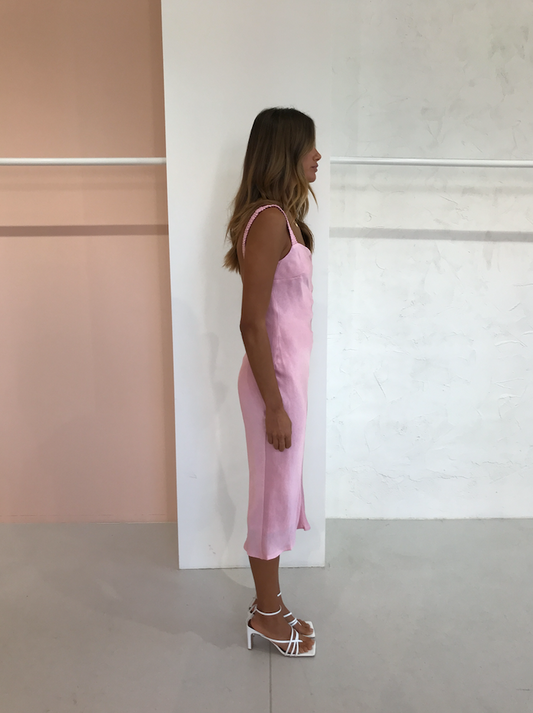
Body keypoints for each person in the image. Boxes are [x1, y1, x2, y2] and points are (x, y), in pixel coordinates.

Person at [224, 107, 321, 657]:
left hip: (285, 383)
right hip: (273, 387)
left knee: (279, 494)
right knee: (271, 498)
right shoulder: (267, 221)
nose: (317, 156)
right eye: (309, 146)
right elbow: (251, 323)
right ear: (285, 151)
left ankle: (271, 604)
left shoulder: (281, 219)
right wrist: (276, 405)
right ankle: (265, 614)